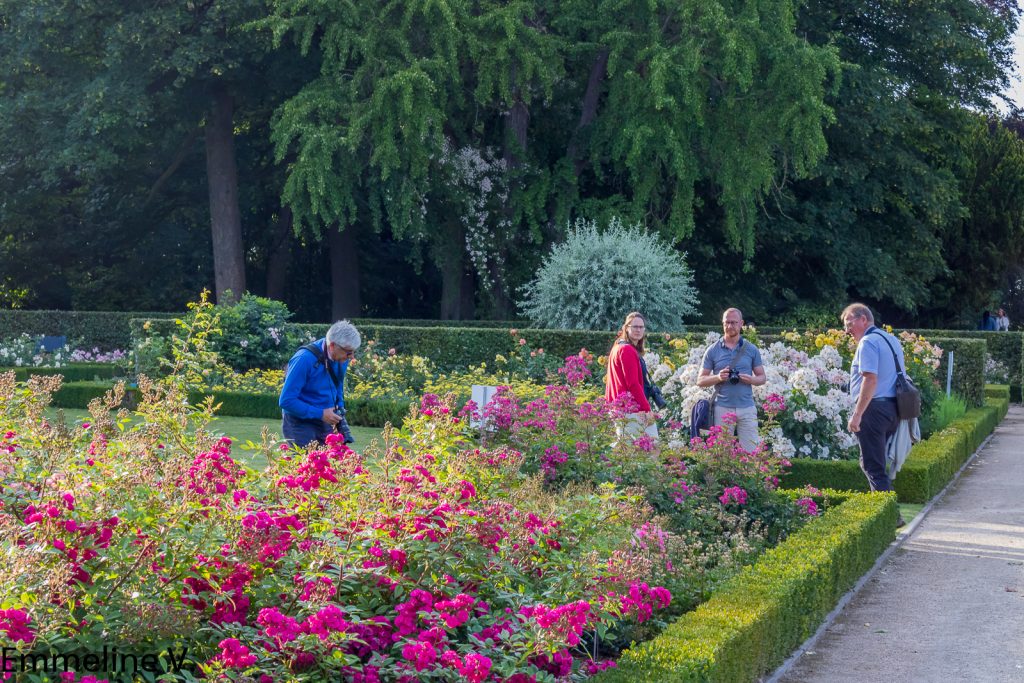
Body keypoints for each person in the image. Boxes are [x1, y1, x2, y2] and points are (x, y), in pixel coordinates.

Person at [841, 303, 906, 525]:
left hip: (874, 409)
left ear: (863, 319)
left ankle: (889, 518)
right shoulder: (890, 339)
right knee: (877, 462)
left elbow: (870, 379)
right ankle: (886, 513)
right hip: (892, 409)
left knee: (873, 465)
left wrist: (857, 414)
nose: (846, 329)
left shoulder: (868, 342)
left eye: (849, 323)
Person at [279, 320, 361, 447]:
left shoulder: (341, 357)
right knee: (306, 465)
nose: (351, 357)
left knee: (332, 464)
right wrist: (320, 413)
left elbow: (338, 385)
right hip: (299, 422)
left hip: (325, 420)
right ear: (332, 345)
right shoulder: (303, 359)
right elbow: (286, 401)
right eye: (349, 352)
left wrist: (339, 409)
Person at [696, 308, 766, 451]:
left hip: (747, 407)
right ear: (722, 323)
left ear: (741, 324)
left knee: (751, 452)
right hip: (722, 407)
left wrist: (751, 380)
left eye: (733, 322)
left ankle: (748, 475)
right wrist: (718, 377)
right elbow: (700, 381)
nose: (729, 326)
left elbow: (762, 378)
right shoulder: (713, 350)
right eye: (726, 322)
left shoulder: (751, 349)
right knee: (722, 455)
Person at [604, 312, 658, 439]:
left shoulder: (617, 347)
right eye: (635, 327)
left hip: (620, 408)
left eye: (641, 327)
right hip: (631, 409)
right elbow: (633, 383)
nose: (638, 330)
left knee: (627, 452)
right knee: (651, 447)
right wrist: (646, 409)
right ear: (626, 328)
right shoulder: (627, 350)